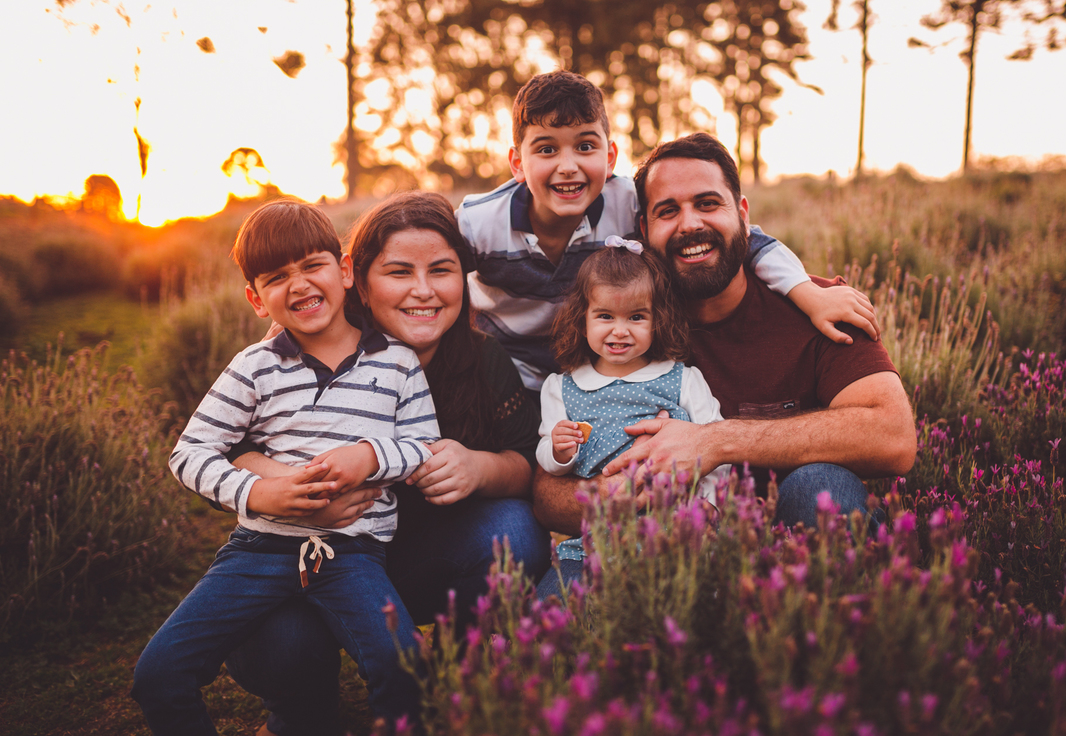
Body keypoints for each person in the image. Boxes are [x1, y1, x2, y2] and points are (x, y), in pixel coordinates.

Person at [220, 192, 551, 736]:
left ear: (462, 279)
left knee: (514, 529)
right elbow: (234, 449)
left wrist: (480, 467)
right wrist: (299, 489)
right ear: (357, 278)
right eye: (399, 272)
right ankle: (304, 710)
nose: (423, 290)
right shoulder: (300, 345)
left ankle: (461, 671)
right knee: (274, 646)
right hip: (313, 559)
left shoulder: (481, 357)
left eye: (441, 271)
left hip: (419, 560)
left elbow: (525, 463)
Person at [132, 199, 437, 733]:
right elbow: (189, 453)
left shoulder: (396, 362)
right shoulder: (254, 366)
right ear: (256, 299)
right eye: (277, 277)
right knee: (158, 674)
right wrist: (257, 493)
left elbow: (421, 444)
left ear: (343, 271)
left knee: (402, 666)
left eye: (311, 266)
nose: (298, 285)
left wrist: (367, 456)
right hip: (257, 551)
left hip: (353, 552)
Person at [531, 133, 917, 549]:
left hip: (796, 546)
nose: (691, 224)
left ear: (743, 214)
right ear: (644, 229)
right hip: (665, 550)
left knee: (818, 486)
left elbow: (893, 436)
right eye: (668, 211)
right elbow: (547, 495)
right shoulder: (624, 328)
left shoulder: (820, 308)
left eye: (708, 203)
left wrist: (712, 442)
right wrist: (609, 495)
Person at [456, 69, 879, 396]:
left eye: (585, 146)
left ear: (610, 155)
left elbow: (742, 238)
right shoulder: (479, 221)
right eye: (547, 149)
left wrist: (809, 293)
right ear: (516, 163)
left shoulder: (626, 203)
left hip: (600, 370)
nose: (568, 165)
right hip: (507, 374)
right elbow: (432, 275)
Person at [535, 237, 731, 595]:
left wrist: (711, 505)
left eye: (636, 317)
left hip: (679, 533)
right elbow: (549, 462)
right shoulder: (562, 388)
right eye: (605, 316)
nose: (620, 330)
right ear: (582, 321)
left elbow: (717, 448)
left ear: (658, 320)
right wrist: (560, 450)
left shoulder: (681, 379)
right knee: (552, 615)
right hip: (596, 544)